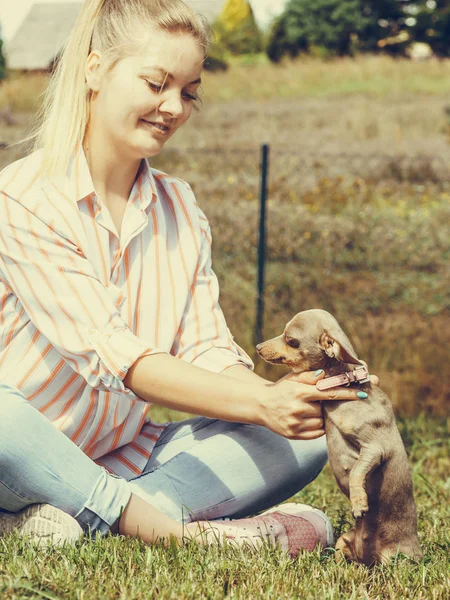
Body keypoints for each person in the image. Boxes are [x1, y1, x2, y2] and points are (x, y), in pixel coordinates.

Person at [0, 0, 374, 556]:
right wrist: (261, 404)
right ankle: (183, 537)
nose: (173, 107)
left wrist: (289, 397)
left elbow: (206, 349)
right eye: (156, 83)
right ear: (96, 69)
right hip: (21, 453)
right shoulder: (23, 196)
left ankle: (79, 520)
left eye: (190, 91)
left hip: (121, 455)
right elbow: (118, 357)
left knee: (307, 440)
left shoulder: (179, 205)